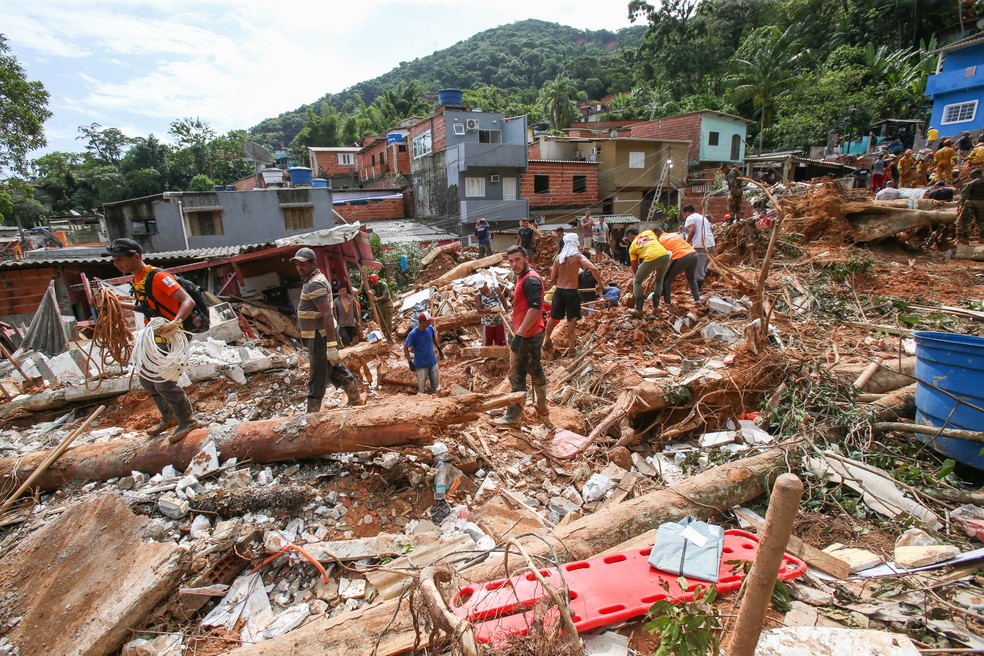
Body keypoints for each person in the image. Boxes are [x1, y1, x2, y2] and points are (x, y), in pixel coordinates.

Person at [106, 238, 200, 443]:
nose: (116, 264)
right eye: (114, 261)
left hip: (169, 335)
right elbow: (148, 307)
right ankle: (169, 417)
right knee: (147, 379)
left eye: (120, 259)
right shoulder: (138, 279)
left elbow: (188, 301)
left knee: (163, 381)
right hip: (154, 334)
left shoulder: (159, 277)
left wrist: (175, 323)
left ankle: (187, 420)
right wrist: (118, 303)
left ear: (136, 256)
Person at [292, 248, 364, 412]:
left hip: (320, 336)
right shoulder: (312, 280)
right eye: (297, 264)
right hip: (319, 335)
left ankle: (311, 414)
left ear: (313, 264)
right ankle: (355, 398)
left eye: (303, 264)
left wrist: (331, 344)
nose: (299, 267)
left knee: (317, 374)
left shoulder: (315, 283)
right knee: (334, 369)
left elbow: (327, 315)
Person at [494, 246, 548, 425]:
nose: (514, 264)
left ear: (526, 259)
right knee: (535, 369)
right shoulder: (524, 278)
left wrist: (519, 334)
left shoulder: (530, 280)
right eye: (510, 261)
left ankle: (513, 416)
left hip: (527, 336)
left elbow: (534, 307)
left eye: (517, 260)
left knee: (517, 375)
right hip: (532, 333)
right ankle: (542, 409)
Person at [544, 233, 603, 353]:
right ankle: (571, 348)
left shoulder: (558, 258)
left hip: (559, 291)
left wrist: (559, 285)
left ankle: (546, 341)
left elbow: (553, 278)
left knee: (553, 317)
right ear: (576, 243)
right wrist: (600, 284)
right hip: (571, 292)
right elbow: (593, 268)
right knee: (571, 320)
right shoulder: (578, 257)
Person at [625, 227, 670, 315]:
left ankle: (639, 309)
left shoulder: (632, 247)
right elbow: (657, 242)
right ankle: (656, 307)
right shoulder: (648, 232)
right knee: (659, 280)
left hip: (651, 257)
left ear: (629, 236)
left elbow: (634, 265)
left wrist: (638, 276)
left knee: (637, 282)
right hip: (665, 255)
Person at [654, 227, 701, 307]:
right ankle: (697, 301)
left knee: (666, 279)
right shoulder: (674, 234)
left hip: (682, 257)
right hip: (693, 254)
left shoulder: (660, 241)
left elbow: (664, 257)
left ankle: (667, 303)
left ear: (656, 234)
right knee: (691, 279)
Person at [404, 311, 443, 394]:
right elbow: (405, 347)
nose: (430, 323)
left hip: (432, 362)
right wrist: (410, 362)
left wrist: (439, 350)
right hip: (421, 365)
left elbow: (434, 338)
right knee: (422, 388)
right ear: (422, 322)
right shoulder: (413, 334)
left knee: (436, 385)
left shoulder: (430, 328)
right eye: (428, 322)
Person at [683, 205, 715, 291]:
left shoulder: (690, 217)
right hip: (710, 244)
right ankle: (698, 291)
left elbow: (692, 230)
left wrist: (686, 243)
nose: (684, 216)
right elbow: (711, 229)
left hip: (701, 245)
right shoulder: (702, 217)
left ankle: (696, 292)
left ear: (687, 212)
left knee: (698, 270)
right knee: (702, 269)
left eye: (684, 214)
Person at [475, 278, 507, 346]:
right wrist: (491, 310)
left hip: (499, 321)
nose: (481, 289)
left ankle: (501, 356)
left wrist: (507, 312)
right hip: (488, 323)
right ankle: (488, 357)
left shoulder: (496, 290)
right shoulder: (478, 296)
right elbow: (479, 311)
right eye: (479, 288)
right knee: (487, 344)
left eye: (482, 287)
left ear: (486, 283)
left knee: (501, 343)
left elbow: (503, 300)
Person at [957, 168, 984, 244]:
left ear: (975, 175)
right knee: (981, 220)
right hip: (982, 203)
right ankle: (982, 238)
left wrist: (961, 204)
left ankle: (965, 238)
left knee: (967, 220)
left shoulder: (971, 183)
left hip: (971, 202)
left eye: (972, 175)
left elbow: (964, 195)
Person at [367, 273, 394, 337]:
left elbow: (384, 296)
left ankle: (389, 335)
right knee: (381, 322)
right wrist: (372, 294)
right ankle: (384, 335)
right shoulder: (374, 286)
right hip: (381, 304)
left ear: (378, 279)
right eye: (373, 282)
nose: (374, 283)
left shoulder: (383, 285)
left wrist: (377, 299)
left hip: (387, 303)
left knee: (388, 321)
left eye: (375, 281)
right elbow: (373, 293)